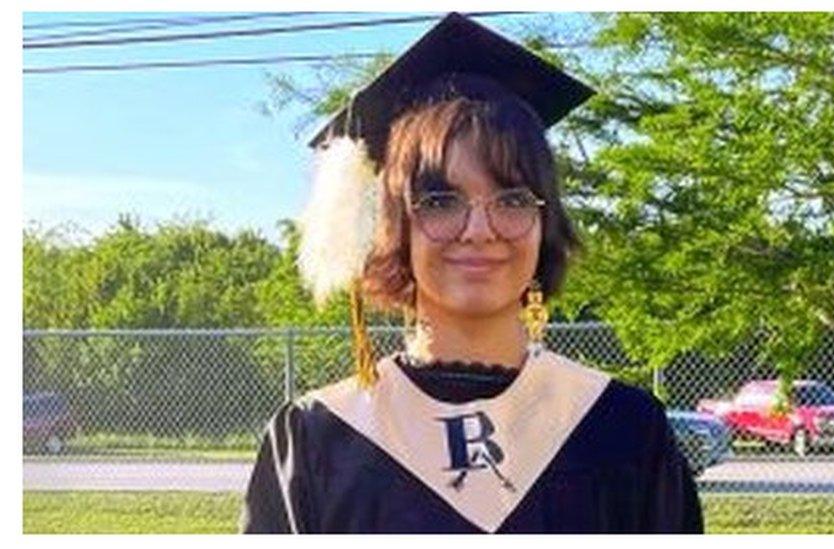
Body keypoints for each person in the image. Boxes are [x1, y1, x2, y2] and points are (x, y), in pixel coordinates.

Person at [240, 12, 703, 534]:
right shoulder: (318, 440)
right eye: (441, 201)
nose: (480, 229)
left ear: (543, 220)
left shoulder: (623, 431)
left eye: (511, 198)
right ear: (395, 226)